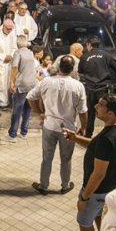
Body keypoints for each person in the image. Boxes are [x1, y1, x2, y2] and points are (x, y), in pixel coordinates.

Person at [61, 93, 116, 231]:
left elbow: (98, 174)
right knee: (103, 221)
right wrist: (76, 138)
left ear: (111, 113)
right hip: (111, 188)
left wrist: (84, 196)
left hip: (97, 191)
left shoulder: (108, 138)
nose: (96, 107)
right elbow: (97, 145)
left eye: (101, 105)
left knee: (85, 222)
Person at [27, 55, 87, 195]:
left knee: (47, 157)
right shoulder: (78, 86)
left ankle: (43, 185)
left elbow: (30, 97)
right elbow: (83, 111)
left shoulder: (47, 82)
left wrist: (39, 112)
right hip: (68, 128)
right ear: (73, 69)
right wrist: (83, 128)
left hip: (49, 125)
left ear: (59, 67)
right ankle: (65, 185)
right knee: (66, 158)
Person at [79, 37, 116, 137]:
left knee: (91, 114)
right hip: (103, 90)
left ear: (89, 45)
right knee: (108, 113)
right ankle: (108, 134)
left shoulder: (85, 57)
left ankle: (88, 136)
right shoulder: (106, 55)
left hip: (90, 90)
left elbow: (80, 72)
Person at [7, 37, 37, 140]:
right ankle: (24, 132)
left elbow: (15, 67)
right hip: (32, 84)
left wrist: (11, 82)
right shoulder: (30, 53)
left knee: (17, 109)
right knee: (27, 110)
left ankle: (12, 134)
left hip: (22, 84)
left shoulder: (17, 53)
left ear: (17, 44)